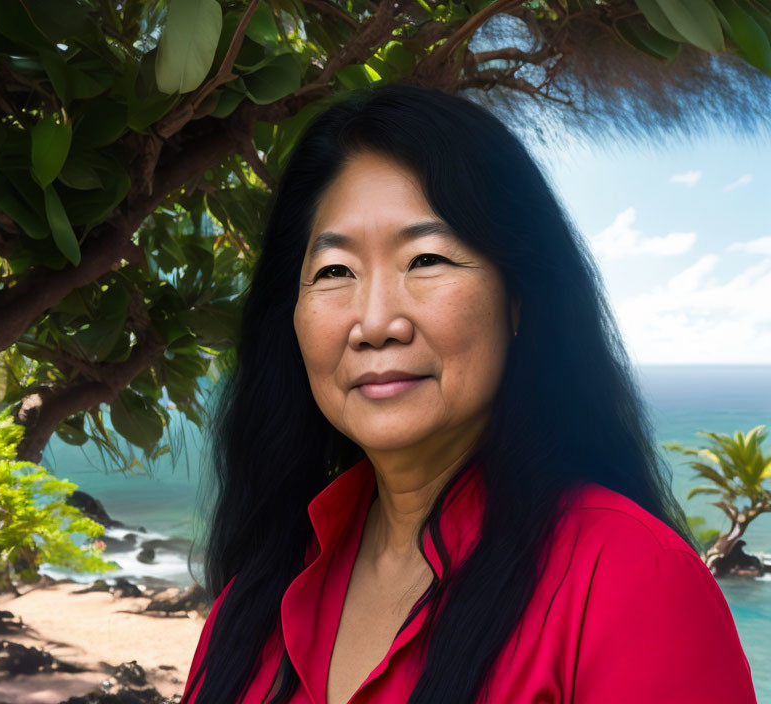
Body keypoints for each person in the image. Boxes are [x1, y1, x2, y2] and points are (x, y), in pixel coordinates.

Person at [180, 81, 756, 704]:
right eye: (334, 272)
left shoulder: (629, 579)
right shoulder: (255, 598)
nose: (375, 323)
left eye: (426, 259)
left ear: (517, 298)